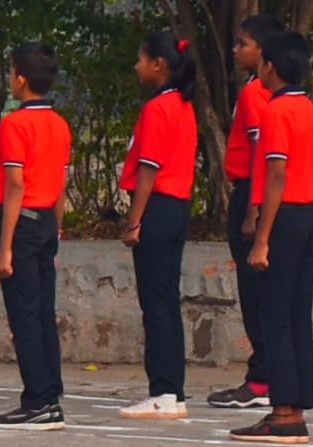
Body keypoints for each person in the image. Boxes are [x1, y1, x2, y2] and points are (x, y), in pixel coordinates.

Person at [230, 21, 313, 444]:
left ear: (269, 66)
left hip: (284, 216)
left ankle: (283, 410)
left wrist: (262, 236)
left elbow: (275, 175)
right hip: (308, 214)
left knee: (276, 316)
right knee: (296, 313)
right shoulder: (309, 109)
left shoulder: (275, 110)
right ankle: (295, 403)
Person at [0, 43, 74, 429]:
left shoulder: (14, 124)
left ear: (20, 79)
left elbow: (15, 186)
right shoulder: (59, 124)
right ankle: (49, 394)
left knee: (24, 315)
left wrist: (4, 248)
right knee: (41, 312)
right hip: (46, 223)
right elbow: (61, 184)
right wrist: (56, 229)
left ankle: (36, 399)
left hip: (21, 223)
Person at [118, 32, 202, 417]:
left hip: (158, 206)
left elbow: (149, 167)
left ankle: (163, 390)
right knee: (166, 299)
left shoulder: (158, 108)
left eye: (141, 59)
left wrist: (134, 220)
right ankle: (172, 390)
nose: (136, 66)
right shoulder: (184, 105)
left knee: (155, 303)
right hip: (178, 206)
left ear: (159, 65)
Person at [210, 25, 276, 410]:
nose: (235, 50)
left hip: (252, 191)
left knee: (255, 293)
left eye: (243, 44)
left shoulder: (255, 92)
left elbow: (258, 151)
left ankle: (261, 377)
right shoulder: (274, 93)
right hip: (264, 194)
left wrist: (252, 209)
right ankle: (268, 372)